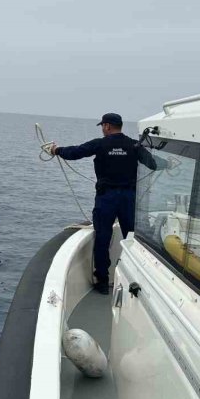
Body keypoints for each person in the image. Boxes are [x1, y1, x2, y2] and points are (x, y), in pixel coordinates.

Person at [52, 113, 138, 294]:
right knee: (132, 239)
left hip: (106, 199)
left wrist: (56, 150)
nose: (102, 129)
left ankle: (102, 281)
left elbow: (75, 152)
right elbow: (153, 163)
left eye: (102, 126)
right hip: (129, 199)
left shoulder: (100, 144)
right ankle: (137, 277)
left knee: (103, 238)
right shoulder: (133, 144)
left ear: (107, 126)